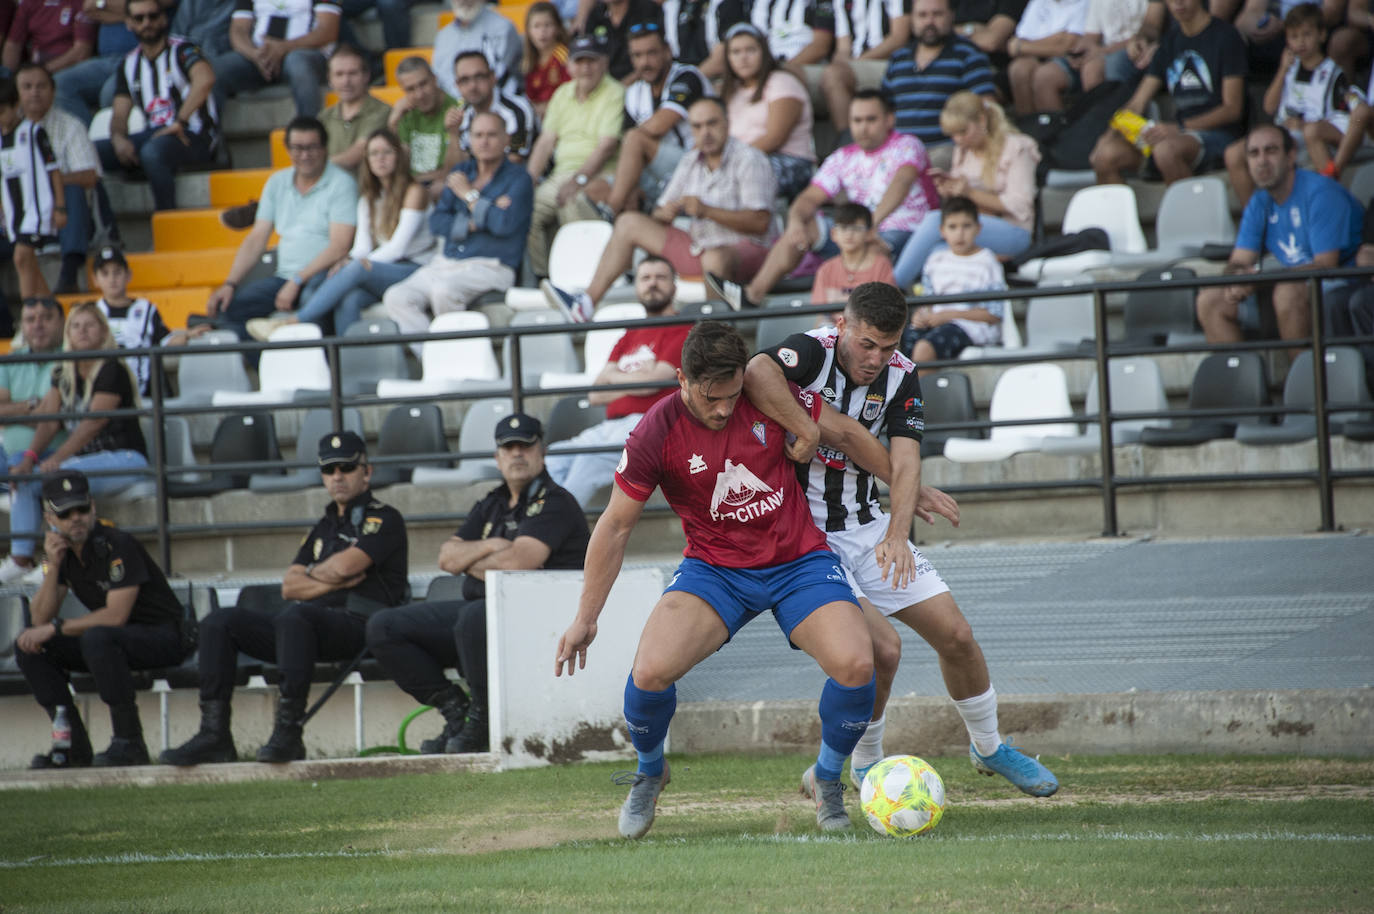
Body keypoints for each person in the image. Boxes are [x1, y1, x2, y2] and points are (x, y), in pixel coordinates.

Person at [555, 320, 900, 837]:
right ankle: (651, 772)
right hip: (714, 571)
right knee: (649, 673)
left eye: (732, 395)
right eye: (710, 398)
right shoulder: (655, 430)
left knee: (857, 663)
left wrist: (910, 487)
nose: (723, 409)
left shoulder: (766, 396)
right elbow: (615, 525)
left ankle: (826, 780)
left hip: (798, 561)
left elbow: (848, 434)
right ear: (681, 380)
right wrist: (586, 617)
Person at [745, 282, 1059, 797]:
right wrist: (807, 428)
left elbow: (907, 457)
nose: (876, 358)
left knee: (956, 636)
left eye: (889, 346)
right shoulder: (808, 352)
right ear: (843, 325)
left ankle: (989, 747)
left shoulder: (903, 376)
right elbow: (758, 371)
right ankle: (866, 763)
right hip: (804, 540)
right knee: (882, 650)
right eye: (867, 344)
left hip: (868, 526)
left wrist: (897, 532)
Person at [161, 431, 409, 766]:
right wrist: (331, 579)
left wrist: (319, 575)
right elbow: (290, 586)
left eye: (347, 468)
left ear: (367, 471)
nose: (338, 476)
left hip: (359, 626)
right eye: (330, 469)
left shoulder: (385, 518)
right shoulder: (324, 526)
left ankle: (288, 731)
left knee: (295, 617)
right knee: (220, 621)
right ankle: (214, 733)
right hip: (307, 629)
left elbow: (349, 565)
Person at [368, 413, 590, 755]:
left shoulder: (555, 501)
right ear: (497, 458)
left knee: (473, 617)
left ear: (541, 452)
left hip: (538, 616)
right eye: (509, 447)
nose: (517, 454)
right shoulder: (492, 503)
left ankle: (483, 720)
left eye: (525, 446)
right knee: (385, 626)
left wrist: (472, 559)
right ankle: (456, 712)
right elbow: (446, 558)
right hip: (483, 611)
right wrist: (492, 546)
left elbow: (519, 562)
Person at [14, 470, 192, 768]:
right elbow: (39, 618)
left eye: (81, 509)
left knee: (98, 635)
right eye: (65, 513)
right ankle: (71, 747)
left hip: (165, 636)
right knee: (30, 647)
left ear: (93, 507)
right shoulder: (59, 554)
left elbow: (116, 615)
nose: (76, 518)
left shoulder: (116, 543)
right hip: (114, 644)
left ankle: (129, 742)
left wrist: (58, 627)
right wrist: (53, 566)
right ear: (50, 519)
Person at [543, 95, 775, 322]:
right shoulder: (691, 160)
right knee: (628, 223)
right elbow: (659, 210)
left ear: (727, 123)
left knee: (714, 259)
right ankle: (584, 304)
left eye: (712, 123)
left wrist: (707, 211)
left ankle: (716, 332)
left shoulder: (749, 158)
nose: (705, 132)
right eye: (697, 126)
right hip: (701, 248)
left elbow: (760, 223)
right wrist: (664, 214)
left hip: (748, 249)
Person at [708, 90, 936, 311]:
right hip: (859, 232)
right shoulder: (843, 156)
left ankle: (866, 319)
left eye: (871, 119)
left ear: (890, 119)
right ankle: (751, 296)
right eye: (856, 120)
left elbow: (901, 183)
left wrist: (868, 227)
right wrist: (795, 222)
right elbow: (808, 198)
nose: (863, 127)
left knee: (871, 249)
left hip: (904, 231)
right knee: (804, 227)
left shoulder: (907, 144)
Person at [6, 303, 150, 584]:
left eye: (89, 325)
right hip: (83, 463)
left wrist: (57, 458)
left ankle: (54, 565)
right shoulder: (62, 372)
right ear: (68, 333)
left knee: (60, 481)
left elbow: (93, 422)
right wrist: (29, 458)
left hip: (126, 458)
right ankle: (20, 560)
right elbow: (49, 421)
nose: (82, 332)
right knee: (24, 478)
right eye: (76, 326)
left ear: (103, 331)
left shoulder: (111, 368)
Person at [1196, 123, 1363, 358]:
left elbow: (1326, 264)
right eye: (1254, 154)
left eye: (1271, 151)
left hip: (1339, 284)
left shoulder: (1321, 192)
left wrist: (1265, 280)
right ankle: (1241, 384)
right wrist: (1238, 277)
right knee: (1211, 300)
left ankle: (1303, 385)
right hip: (1286, 284)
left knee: (1287, 291)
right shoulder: (1259, 201)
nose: (1262, 160)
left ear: (1291, 155)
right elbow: (1239, 260)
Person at [250, 129, 435, 339]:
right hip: (383, 268)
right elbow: (362, 248)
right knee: (349, 299)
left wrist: (358, 265)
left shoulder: (414, 192)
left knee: (354, 267)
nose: (380, 159)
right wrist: (350, 261)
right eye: (374, 153)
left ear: (398, 156)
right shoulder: (368, 198)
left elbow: (397, 248)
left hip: (415, 267)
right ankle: (352, 365)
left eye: (387, 152)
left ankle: (294, 321)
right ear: (367, 160)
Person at [544, 257, 693, 506]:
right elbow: (595, 395)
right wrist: (638, 380)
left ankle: (552, 533)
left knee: (588, 460)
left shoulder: (682, 329)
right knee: (554, 457)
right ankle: (542, 526)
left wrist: (620, 379)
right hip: (611, 426)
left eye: (661, 277)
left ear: (674, 286)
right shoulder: (630, 334)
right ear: (636, 287)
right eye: (645, 278)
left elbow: (651, 385)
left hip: (651, 426)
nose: (652, 284)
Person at [202, 116, 357, 342]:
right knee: (230, 309)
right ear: (287, 149)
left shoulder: (342, 183)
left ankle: (321, 373)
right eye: (298, 148)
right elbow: (256, 239)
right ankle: (270, 366)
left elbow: (339, 246)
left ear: (324, 148)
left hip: (322, 275)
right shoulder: (277, 182)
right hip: (283, 277)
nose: (304, 155)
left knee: (312, 303)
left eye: (311, 147)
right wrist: (230, 283)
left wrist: (297, 281)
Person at [383, 113, 533, 343]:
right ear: (469, 139)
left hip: (492, 265)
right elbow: (438, 222)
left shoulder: (519, 178)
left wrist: (470, 196)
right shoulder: (461, 172)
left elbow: (503, 224)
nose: (484, 141)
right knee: (397, 296)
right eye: (478, 135)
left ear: (506, 139)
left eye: (492, 135)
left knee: (444, 291)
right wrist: (480, 217)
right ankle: (431, 356)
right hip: (447, 263)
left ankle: (459, 359)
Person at [1088, 0, 1246, 185]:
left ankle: (1187, 213)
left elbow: (1232, 109)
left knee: (1166, 150)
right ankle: (1121, 214)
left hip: (1219, 135)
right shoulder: (1169, 41)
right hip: (1177, 135)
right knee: (1105, 155)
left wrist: (1179, 127)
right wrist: (1108, 136)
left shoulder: (1226, 36)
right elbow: (1137, 103)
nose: (1178, 3)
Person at [892, 91, 1037, 288]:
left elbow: (1020, 205)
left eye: (962, 131)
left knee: (934, 220)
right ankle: (934, 305)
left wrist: (969, 193)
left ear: (982, 120)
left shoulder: (1017, 147)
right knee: (937, 251)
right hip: (967, 227)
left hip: (1014, 232)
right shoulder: (962, 151)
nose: (958, 139)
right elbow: (963, 205)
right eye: (953, 134)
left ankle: (889, 287)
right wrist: (950, 192)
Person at [582, 22, 711, 220]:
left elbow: (659, 126)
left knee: (635, 139)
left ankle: (611, 212)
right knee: (595, 189)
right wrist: (631, 184)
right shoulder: (634, 92)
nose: (645, 62)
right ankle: (637, 226)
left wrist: (629, 178)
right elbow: (629, 147)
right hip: (657, 171)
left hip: (697, 165)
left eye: (652, 53)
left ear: (667, 51)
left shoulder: (687, 76)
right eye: (637, 55)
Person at [98, 0, 217, 213]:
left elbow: (205, 79)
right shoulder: (128, 64)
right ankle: (106, 232)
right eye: (139, 18)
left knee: (152, 152)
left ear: (163, 19)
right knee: (91, 154)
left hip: (193, 135)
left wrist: (180, 121)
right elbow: (119, 114)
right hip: (155, 135)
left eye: (152, 16)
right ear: (129, 23)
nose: (147, 23)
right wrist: (118, 139)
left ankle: (167, 224)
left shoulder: (183, 49)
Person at [1225, 3, 1353, 201]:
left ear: (1321, 35)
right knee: (1233, 154)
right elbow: (1268, 107)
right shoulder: (1288, 70)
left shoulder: (1334, 73)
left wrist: (1304, 126)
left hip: (1314, 135)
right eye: (1294, 37)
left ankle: (1330, 200)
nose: (1300, 42)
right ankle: (1257, 219)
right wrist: (1282, 71)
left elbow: (1343, 122)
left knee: (1280, 146)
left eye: (1306, 34)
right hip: (1284, 133)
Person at [524, 35, 624, 280]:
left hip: (600, 173)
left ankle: (584, 277)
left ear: (604, 63)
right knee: (526, 208)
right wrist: (526, 182)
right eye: (579, 62)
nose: (585, 68)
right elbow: (545, 142)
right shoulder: (562, 93)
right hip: (561, 174)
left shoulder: (615, 91)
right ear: (569, 66)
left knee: (573, 201)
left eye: (592, 61)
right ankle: (545, 277)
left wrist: (578, 180)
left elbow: (606, 146)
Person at [15, 62, 106, 295]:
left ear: (53, 91)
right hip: (19, 216)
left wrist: (43, 184)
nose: (34, 92)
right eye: (27, 86)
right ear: (17, 93)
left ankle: (70, 273)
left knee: (72, 189)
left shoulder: (71, 126)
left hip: (60, 214)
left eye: (41, 86)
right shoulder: (9, 132)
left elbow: (89, 176)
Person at [882, 0, 997, 169]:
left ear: (951, 16)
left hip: (948, 150)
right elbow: (884, 109)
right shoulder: (898, 59)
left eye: (937, 14)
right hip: (900, 151)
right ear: (912, 19)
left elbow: (988, 106)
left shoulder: (968, 55)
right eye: (922, 15)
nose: (929, 21)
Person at [0, 297, 66, 586]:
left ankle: (20, 559)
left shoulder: (70, 358)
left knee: (22, 471)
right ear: (22, 327)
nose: (37, 325)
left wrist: (13, 411)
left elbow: (54, 416)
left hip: (52, 452)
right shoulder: (10, 359)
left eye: (46, 318)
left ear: (61, 323)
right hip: (7, 453)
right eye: (30, 319)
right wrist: (32, 406)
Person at [902, 196, 1006, 365]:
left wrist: (949, 316)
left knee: (924, 348)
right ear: (942, 230)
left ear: (978, 228)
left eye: (966, 226)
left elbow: (994, 314)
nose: (960, 233)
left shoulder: (988, 262)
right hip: (936, 323)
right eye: (953, 227)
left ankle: (915, 391)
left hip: (972, 328)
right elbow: (927, 301)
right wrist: (920, 316)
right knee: (905, 343)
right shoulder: (935, 260)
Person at [718, 22, 816, 200]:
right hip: (739, 162)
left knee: (728, 185)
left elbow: (774, 139)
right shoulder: (728, 91)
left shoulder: (782, 82)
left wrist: (729, 162)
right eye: (736, 52)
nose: (743, 58)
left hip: (787, 161)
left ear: (764, 52)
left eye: (751, 50)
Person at [92, 246, 208, 396]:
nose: (112, 279)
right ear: (95, 279)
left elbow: (165, 340)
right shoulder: (91, 312)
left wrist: (188, 335)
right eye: (105, 273)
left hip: (145, 392)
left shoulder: (146, 309)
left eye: (117, 272)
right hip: (103, 390)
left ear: (128, 275)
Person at [210, 0, 338, 119]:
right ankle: (209, 138)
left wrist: (283, 47)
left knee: (298, 63)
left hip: (305, 54)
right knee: (216, 69)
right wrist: (255, 55)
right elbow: (238, 30)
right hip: (258, 57)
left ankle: (310, 132)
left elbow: (327, 31)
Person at [0, 75, 65, 304]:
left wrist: (60, 206)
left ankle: (28, 315)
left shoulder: (34, 133)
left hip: (38, 209)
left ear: (16, 106)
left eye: (2, 112)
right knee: (29, 265)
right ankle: (50, 310)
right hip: (14, 214)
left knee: (21, 257)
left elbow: (53, 169)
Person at [819, 0, 914, 134]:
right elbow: (843, 48)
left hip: (887, 60)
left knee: (834, 75)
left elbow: (898, 39)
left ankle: (848, 142)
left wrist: (857, 62)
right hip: (857, 63)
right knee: (832, 74)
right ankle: (849, 143)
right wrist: (842, 63)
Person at [390, 56, 463, 201]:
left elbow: (455, 169)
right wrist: (393, 123)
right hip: (413, 189)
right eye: (410, 89)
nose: (419, 94)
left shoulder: (455, 110)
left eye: (423, 84)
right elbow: (397, 167)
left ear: (434, 79)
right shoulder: (406, 114)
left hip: (443, 189)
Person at [447, 50, 538, 164]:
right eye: (465, 80)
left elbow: (514, 160)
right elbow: (455, 168)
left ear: (493, 77)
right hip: (475, 180)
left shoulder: (518, 110)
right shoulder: (460, 115)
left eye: (479, 77)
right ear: (457, 85)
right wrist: (453, 134)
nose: (472, 86)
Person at [319, 43, 391, 176]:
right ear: (330, 79)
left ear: (366, 76)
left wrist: (315, 166)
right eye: (339, 74)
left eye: (352, 73)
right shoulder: (324, 117)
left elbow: (356, 154)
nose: (346, 81)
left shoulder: (382, 111)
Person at [1006, 0, 1088, 114]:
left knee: (1045, 76)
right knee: (1019, 69)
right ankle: (1028, 126)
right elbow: (1014, 46)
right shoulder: (1038, 2)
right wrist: (1057, 39)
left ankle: (1055, 127)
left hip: (1074, 60)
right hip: (1039, 57)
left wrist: (1024, 46)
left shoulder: (1083, 3)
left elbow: (1068, 45)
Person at [811, 203, 898, 308]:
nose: (849, 234)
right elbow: (820, 313)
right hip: (834, 324)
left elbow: (887, 309)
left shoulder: (881, 265)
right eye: (843, 228)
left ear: (869, 233)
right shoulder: (826, 269)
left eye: (856, 228)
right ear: (833, 234)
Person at [433, 0, 521, 102]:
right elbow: (439, 80)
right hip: (453, 110)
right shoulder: (443, 36)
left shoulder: (502, 28)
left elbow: (499, 76)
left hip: (496, 105)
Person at [1, 0, 94, 78]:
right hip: (36, 66)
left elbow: (81, 52)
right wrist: (10, 78)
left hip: (69, 69)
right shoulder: (29, 3)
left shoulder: (80, 2)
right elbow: (13, 45)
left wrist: (43, 71)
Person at [522, 1, 571, 118]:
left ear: (558, 28)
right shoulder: (530, 61)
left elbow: (571, 94)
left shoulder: (564, 57)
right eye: (536, 26)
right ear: (528, 31)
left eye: (548, 25)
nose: (542, 32)